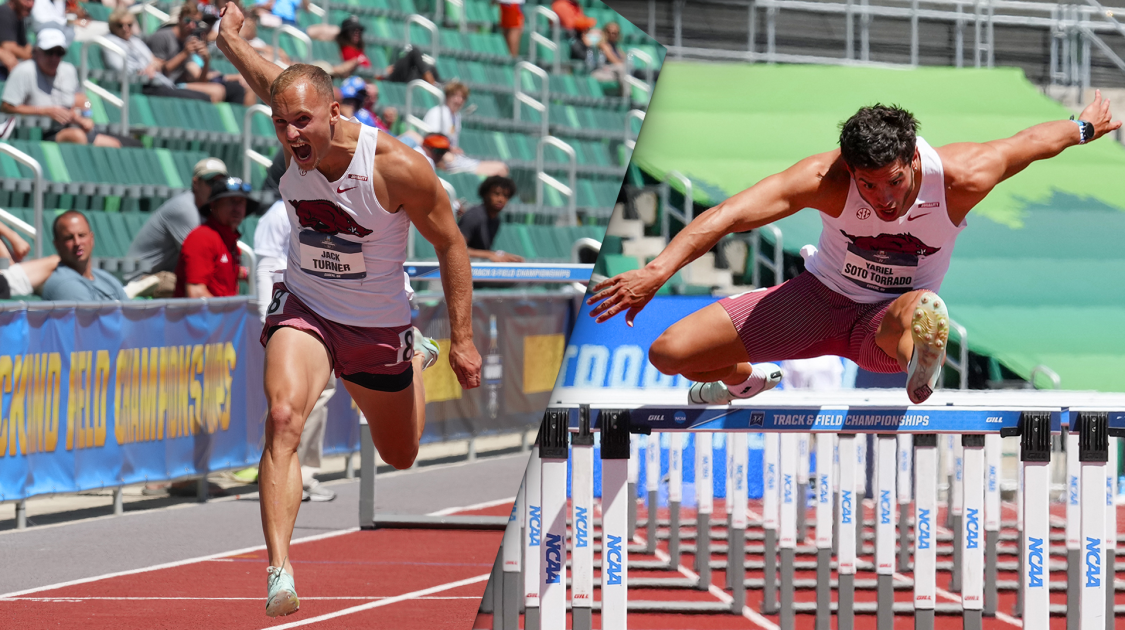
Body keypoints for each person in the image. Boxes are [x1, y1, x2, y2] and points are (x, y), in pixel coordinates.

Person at [587, 98, 1121, 406]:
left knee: (918, 309)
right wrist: (657, 270)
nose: (881, 199)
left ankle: (920, 365)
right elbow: (727, 215)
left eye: (891, 182)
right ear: (849, 169)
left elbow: (1032, 142)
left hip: (882, 324)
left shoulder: (962, 176)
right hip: (816, 300)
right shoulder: (824, 178)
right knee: (670, 353)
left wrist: (1084, 127)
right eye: (866, 185)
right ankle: (744, 379)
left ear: (913, 159)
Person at [216, 2, 481, 617]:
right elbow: (263, 74)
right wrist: (229, 36)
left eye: (303, 123)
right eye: (282, 125)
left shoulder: (398, 167)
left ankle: (415, 356)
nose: (291, 137)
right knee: (283, 416)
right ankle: (279, 569)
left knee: (400, 453)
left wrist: (463, 338)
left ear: (335, 112)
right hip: (306, 304)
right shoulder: (292, 125)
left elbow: (450, 244)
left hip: (379, 322)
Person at [0, 29, 126, 147]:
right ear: (37, 52)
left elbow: (85, 101)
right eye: (49, 52)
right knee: (80, 138)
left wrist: (86, 115)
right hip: (36, 133)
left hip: (71, 126)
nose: (55, 58)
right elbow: (7, 106)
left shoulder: (68, 70)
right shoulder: (24, 71)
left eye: (59, 53)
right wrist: (45, 111)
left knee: (122, 143)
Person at [127, 158, 228, 295]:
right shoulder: (185, 209)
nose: (217, 188)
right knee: (198, 286)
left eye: (221, 183)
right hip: (143, 279)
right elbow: (201, 259)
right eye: (211, 182)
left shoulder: (206, 209)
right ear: (196, 183)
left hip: (165, 273)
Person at [146, 2, 249, 105]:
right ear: (179, 18)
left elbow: (200, 80)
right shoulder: (162, 37)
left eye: (196, 22)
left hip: (175, 85)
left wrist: (206, 59)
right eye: (187, 20)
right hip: (156, 86)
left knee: (230, 89)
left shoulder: (187, 40)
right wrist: (185, 53)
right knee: (217, 91)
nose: (192, 25)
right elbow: (161, 71)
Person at [102, 7, 213, 102]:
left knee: (206, 96)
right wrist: (144, 70)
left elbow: (156, 62)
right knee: (203, 98)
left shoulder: (135, 41)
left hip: (161, 82)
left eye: (129, 25)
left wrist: (153, 65)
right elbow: (121, 68)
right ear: (113, 26)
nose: (126, 29)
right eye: (120, 25)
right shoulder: (109, 42)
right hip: (144, 85)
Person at [173, 175, 256, 298]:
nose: (237, 208)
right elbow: (196, 293)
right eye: (231, 201)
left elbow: (221, 270)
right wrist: (228, 316)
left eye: (241, 202)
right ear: (214, 205)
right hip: (201, 316)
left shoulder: (230, 242)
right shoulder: (202, 237)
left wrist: (247, 273)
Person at [421, 81, 508, 176]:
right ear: (447, 96)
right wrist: (449, 149)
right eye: (455, 96)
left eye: (462, 97)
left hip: (455, 157)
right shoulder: (437, 113)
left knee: (503, 168)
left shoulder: (456, 116)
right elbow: (430, 142)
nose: (459, 100)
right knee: (498, 171)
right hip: (441, 157)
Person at [41, 211, 129, 301]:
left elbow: (130, 313)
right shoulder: (64, 284)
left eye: (81, 235)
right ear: (57, 244)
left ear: (92, 239)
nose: (77, 242)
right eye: (69, 238)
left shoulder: (108, 279)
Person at [459, 175, 523, 263]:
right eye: (496, 194)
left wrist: (502, 255)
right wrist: (490, 255)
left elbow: (482, 250)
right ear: (485, 194)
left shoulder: (496, 220)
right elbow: (458, 250)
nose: (501, 199)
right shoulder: (473, 216)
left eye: (505, 195)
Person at [0, 220, 59, 300]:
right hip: (4, 281)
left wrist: (13, 237)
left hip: (5, 272)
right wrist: (13, 237)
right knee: (56, 261)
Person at [0, 0, 34, 81]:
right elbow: (9, 47)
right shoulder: (5, 12)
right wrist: (34, 56)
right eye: (26, 0)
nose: (30, 4)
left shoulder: (20, 16)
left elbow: (26, 46)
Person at [591, 21, 626, 92]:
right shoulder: (603, 45)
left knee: (625, 73)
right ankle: (627, 96)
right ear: (605, 32)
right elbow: (615, 61)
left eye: (615, 33)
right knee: (621, 68)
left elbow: (625, 59)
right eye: (609, 32)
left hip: (611, 73)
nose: (612, 35)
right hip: (599, 72)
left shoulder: (615, 46)